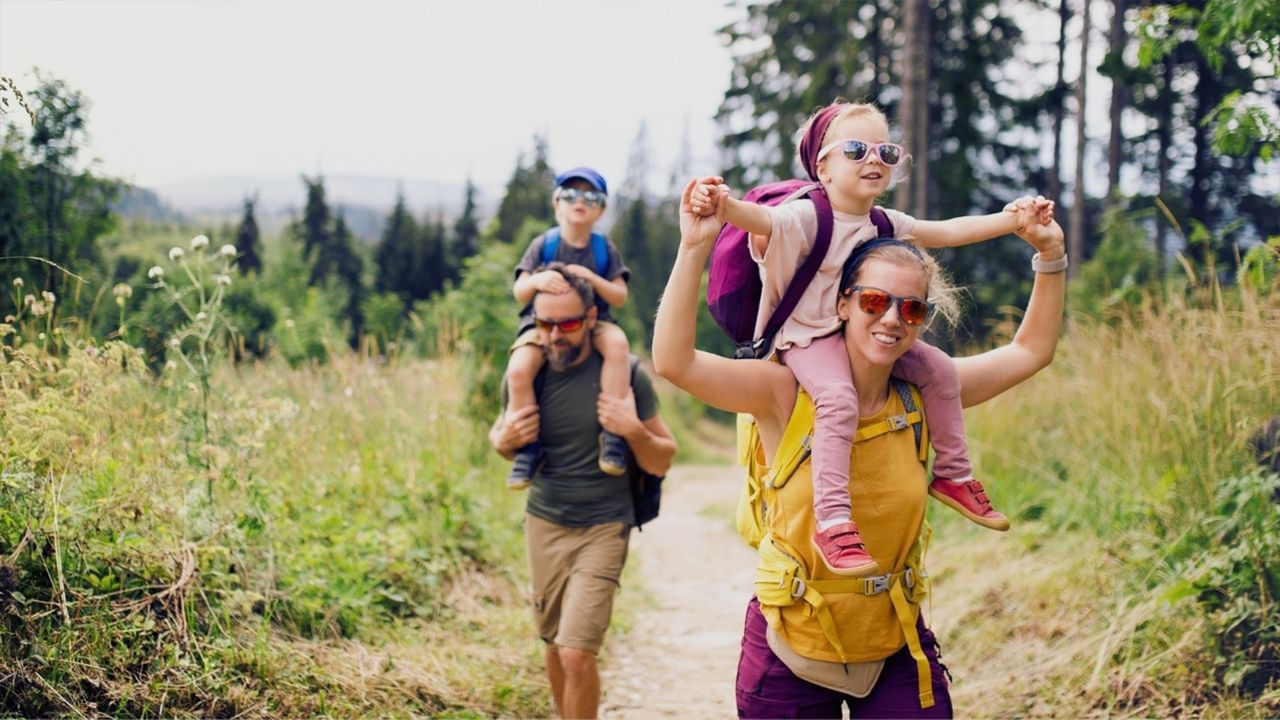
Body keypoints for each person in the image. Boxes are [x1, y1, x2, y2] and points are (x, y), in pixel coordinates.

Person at [654, 176, 1067, 717]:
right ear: (842, 304)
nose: (892, 319)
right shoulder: (783, 391)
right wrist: (693, 247)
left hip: (895, 644)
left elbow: (1031, 350)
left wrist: (1051, 256)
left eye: (912, 309)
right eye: (874, 301)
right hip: (789, 647)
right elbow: (674, 362)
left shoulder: (926, 395)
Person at [690, 101, 1054, 576]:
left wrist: (1014, 221)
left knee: (940, 368)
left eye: (887, 151)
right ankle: (834, 521)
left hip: (851, 335)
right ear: (823, 165)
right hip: (805, 341)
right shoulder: (804, 216)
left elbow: (943, 232)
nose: (874, 160)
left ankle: (953, 476)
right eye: (857, 149)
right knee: (838, 399)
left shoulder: (881, 223)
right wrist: (719, 205)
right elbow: (760, 221)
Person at [489, 263, 678, 719]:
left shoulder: (627, 375)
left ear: (592, 319)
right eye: (545, 323)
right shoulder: (527, 373)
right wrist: (502, 440)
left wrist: (631, 430)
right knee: (553, 648)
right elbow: (501, 440)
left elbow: (663, 456)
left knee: (576, 651)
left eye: (568, 323)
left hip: (604, 525)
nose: (555, 335)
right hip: (545, 522)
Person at [505, 167, 636, 489]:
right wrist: (536, 279)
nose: (580, 201)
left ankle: (613, 435)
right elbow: (520, 291)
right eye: (570, 195)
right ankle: (528, 447)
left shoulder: (604, 248)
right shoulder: (544, 245)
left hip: (595, 321)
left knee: (618, 347)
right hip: (545, 324)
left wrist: (592, 279)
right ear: (556, 204)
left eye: (591, 197)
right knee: (519, 370)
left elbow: (619, 296)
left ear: (601, 209)